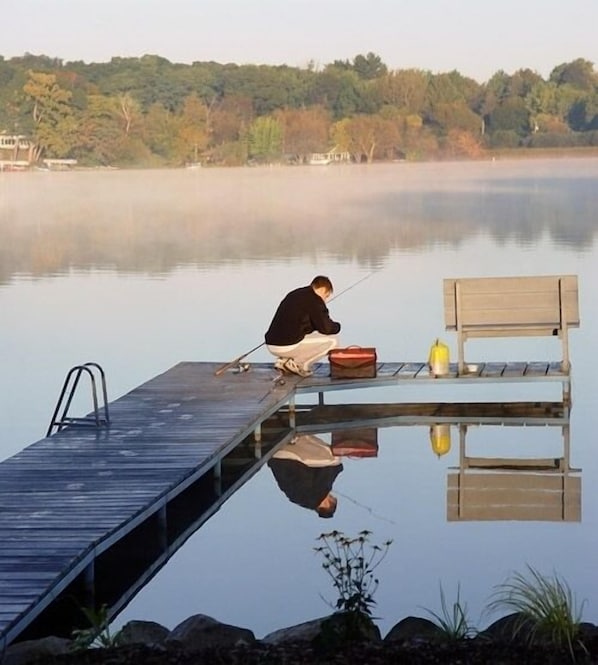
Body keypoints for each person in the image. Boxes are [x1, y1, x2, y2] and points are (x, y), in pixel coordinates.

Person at [265, 275, 341, 377]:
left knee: (310, 335)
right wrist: (337, 326)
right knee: (333, 341)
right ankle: (300, 365)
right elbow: (326, 328)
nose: (325, 300)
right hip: (286, 346)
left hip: (271, 343)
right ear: (323, 289)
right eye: (326, 296)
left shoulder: (295, 294)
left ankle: (284, 361)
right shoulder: (315, 300)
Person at [268, 434, 343, 518]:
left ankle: (300, 436)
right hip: (276, 459)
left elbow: (329, 471)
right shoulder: (298, 499)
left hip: (289, 457)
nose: (329, 494)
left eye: (330, 497)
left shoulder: (317, 496)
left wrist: (339, 468)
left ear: (326, 504)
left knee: (335, 460)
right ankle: (298, 438)